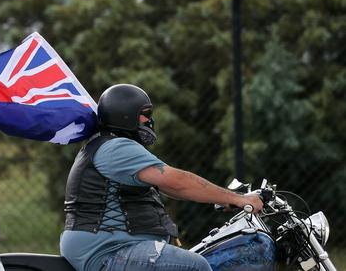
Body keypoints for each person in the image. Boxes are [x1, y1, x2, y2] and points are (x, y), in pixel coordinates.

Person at [60, 84, 263, 271]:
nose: (150, 120)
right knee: (196, 266)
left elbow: (171, 188)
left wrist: (226, 198)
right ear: (125, 115)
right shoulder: (116, 148)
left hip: (108, 247)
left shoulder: (104, 145)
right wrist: (239, 199)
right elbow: (179, 182)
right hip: (107, 251)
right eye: (145, 114)